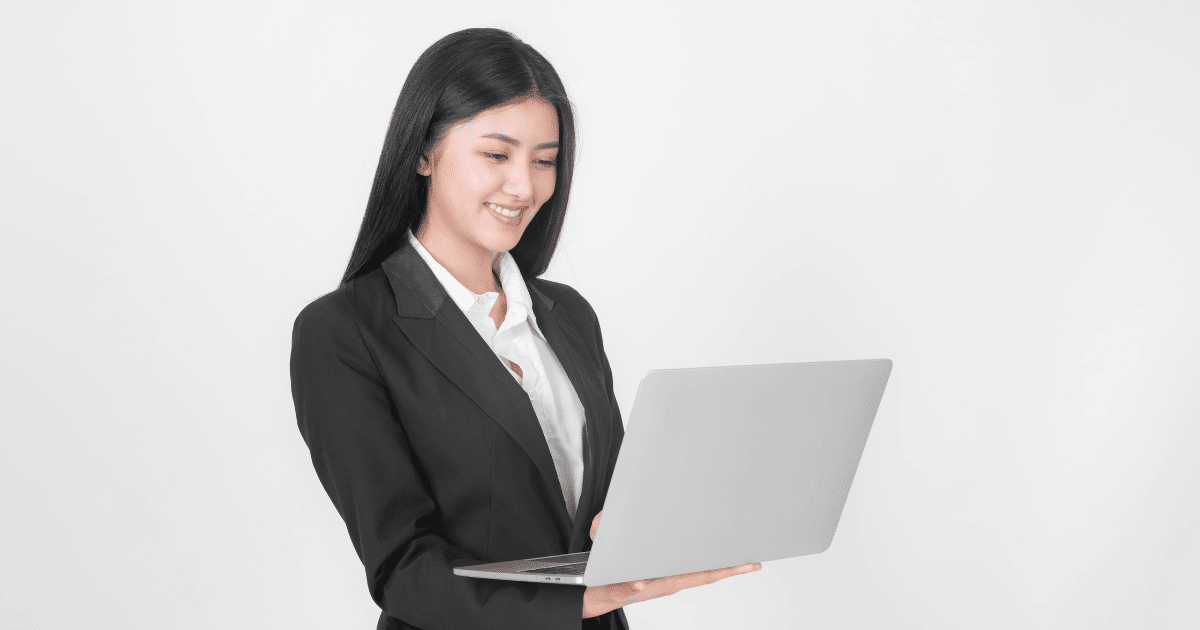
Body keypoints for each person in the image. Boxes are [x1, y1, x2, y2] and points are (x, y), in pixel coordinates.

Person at [289, 27, 761, 630]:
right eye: (497, 155)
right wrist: (573, 601)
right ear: (423, 153)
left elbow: (594, 505)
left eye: (544, 160)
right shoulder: (345, 332)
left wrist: (649, 523)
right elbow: (403, 569)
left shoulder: (567, 316)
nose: (525, 186)